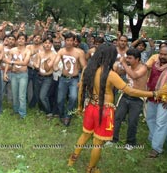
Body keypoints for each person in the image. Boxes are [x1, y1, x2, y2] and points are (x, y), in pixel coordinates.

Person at [67, 43, 167, 173]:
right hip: (104, 110)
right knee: (97, 143)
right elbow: (130, 91)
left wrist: (80, 107)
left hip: (90, 106)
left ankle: (72, 160)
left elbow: (81, 89)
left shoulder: (88, 69)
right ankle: (91, 169)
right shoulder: (110, 74)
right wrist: (153, 94)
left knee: (85, 135)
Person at [111, 48, 148, 150]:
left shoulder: (143, 68)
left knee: (132, 121)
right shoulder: (129, 66)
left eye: (130, 58)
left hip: (137, 98)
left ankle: (130, 143)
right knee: (117, 117)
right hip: (126, 95)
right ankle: (113, 139)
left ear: (137, 59)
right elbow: (119, 72)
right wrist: (117, 65)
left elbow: (134, 76)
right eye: (127, 57)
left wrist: (124, 63)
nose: (127, 60)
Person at [53, 32, 86, 126]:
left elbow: (84, 67)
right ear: (65, 41)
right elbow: (56, 62)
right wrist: (55, 66)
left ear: (74, 41)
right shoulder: (61, 51)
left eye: (71, 40)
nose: (69, 42)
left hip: (74, 79)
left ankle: (68, 115)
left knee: (73, 97)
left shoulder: (79, 52)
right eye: (67, 40)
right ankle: (62, 114)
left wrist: (81, 80)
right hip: (63, 78)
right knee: (60, 99)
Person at [144, 44, 167, 158]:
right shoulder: (155, 64)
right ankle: (155, 138)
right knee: (149, 118)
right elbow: (150, 78)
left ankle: (156, 148)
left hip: (164, 100)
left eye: (165, 54)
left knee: (160, 123)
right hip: (152, 96)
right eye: (161, 54)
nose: (162, 56)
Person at [4, 33, 31, 118]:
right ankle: (16, 110)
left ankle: (22, 113)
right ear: (17, 40)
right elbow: (7, 62)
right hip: (13, 74)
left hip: (23, 75)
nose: (21, 40)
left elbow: (25, 63)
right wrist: (5, 73)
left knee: (21, 95)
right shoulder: (12, 50)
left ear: (25, 41)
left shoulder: (27, 51)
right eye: (19, 38)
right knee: (14, 94)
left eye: (23, 39)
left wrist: (12, 62)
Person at [34, 36, 56, 118]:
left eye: (49, 43)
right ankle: (41, 109)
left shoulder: (54, 55)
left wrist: (45, 62)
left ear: (52, 44)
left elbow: (47, 69)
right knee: (37, 95)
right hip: (38, 76)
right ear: (43, 44)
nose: (47, 45)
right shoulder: (39, 54)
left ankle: (49, 112)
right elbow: (35, 64)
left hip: (48, 78)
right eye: (45, 43)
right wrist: (36, 65)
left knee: (43, 96)